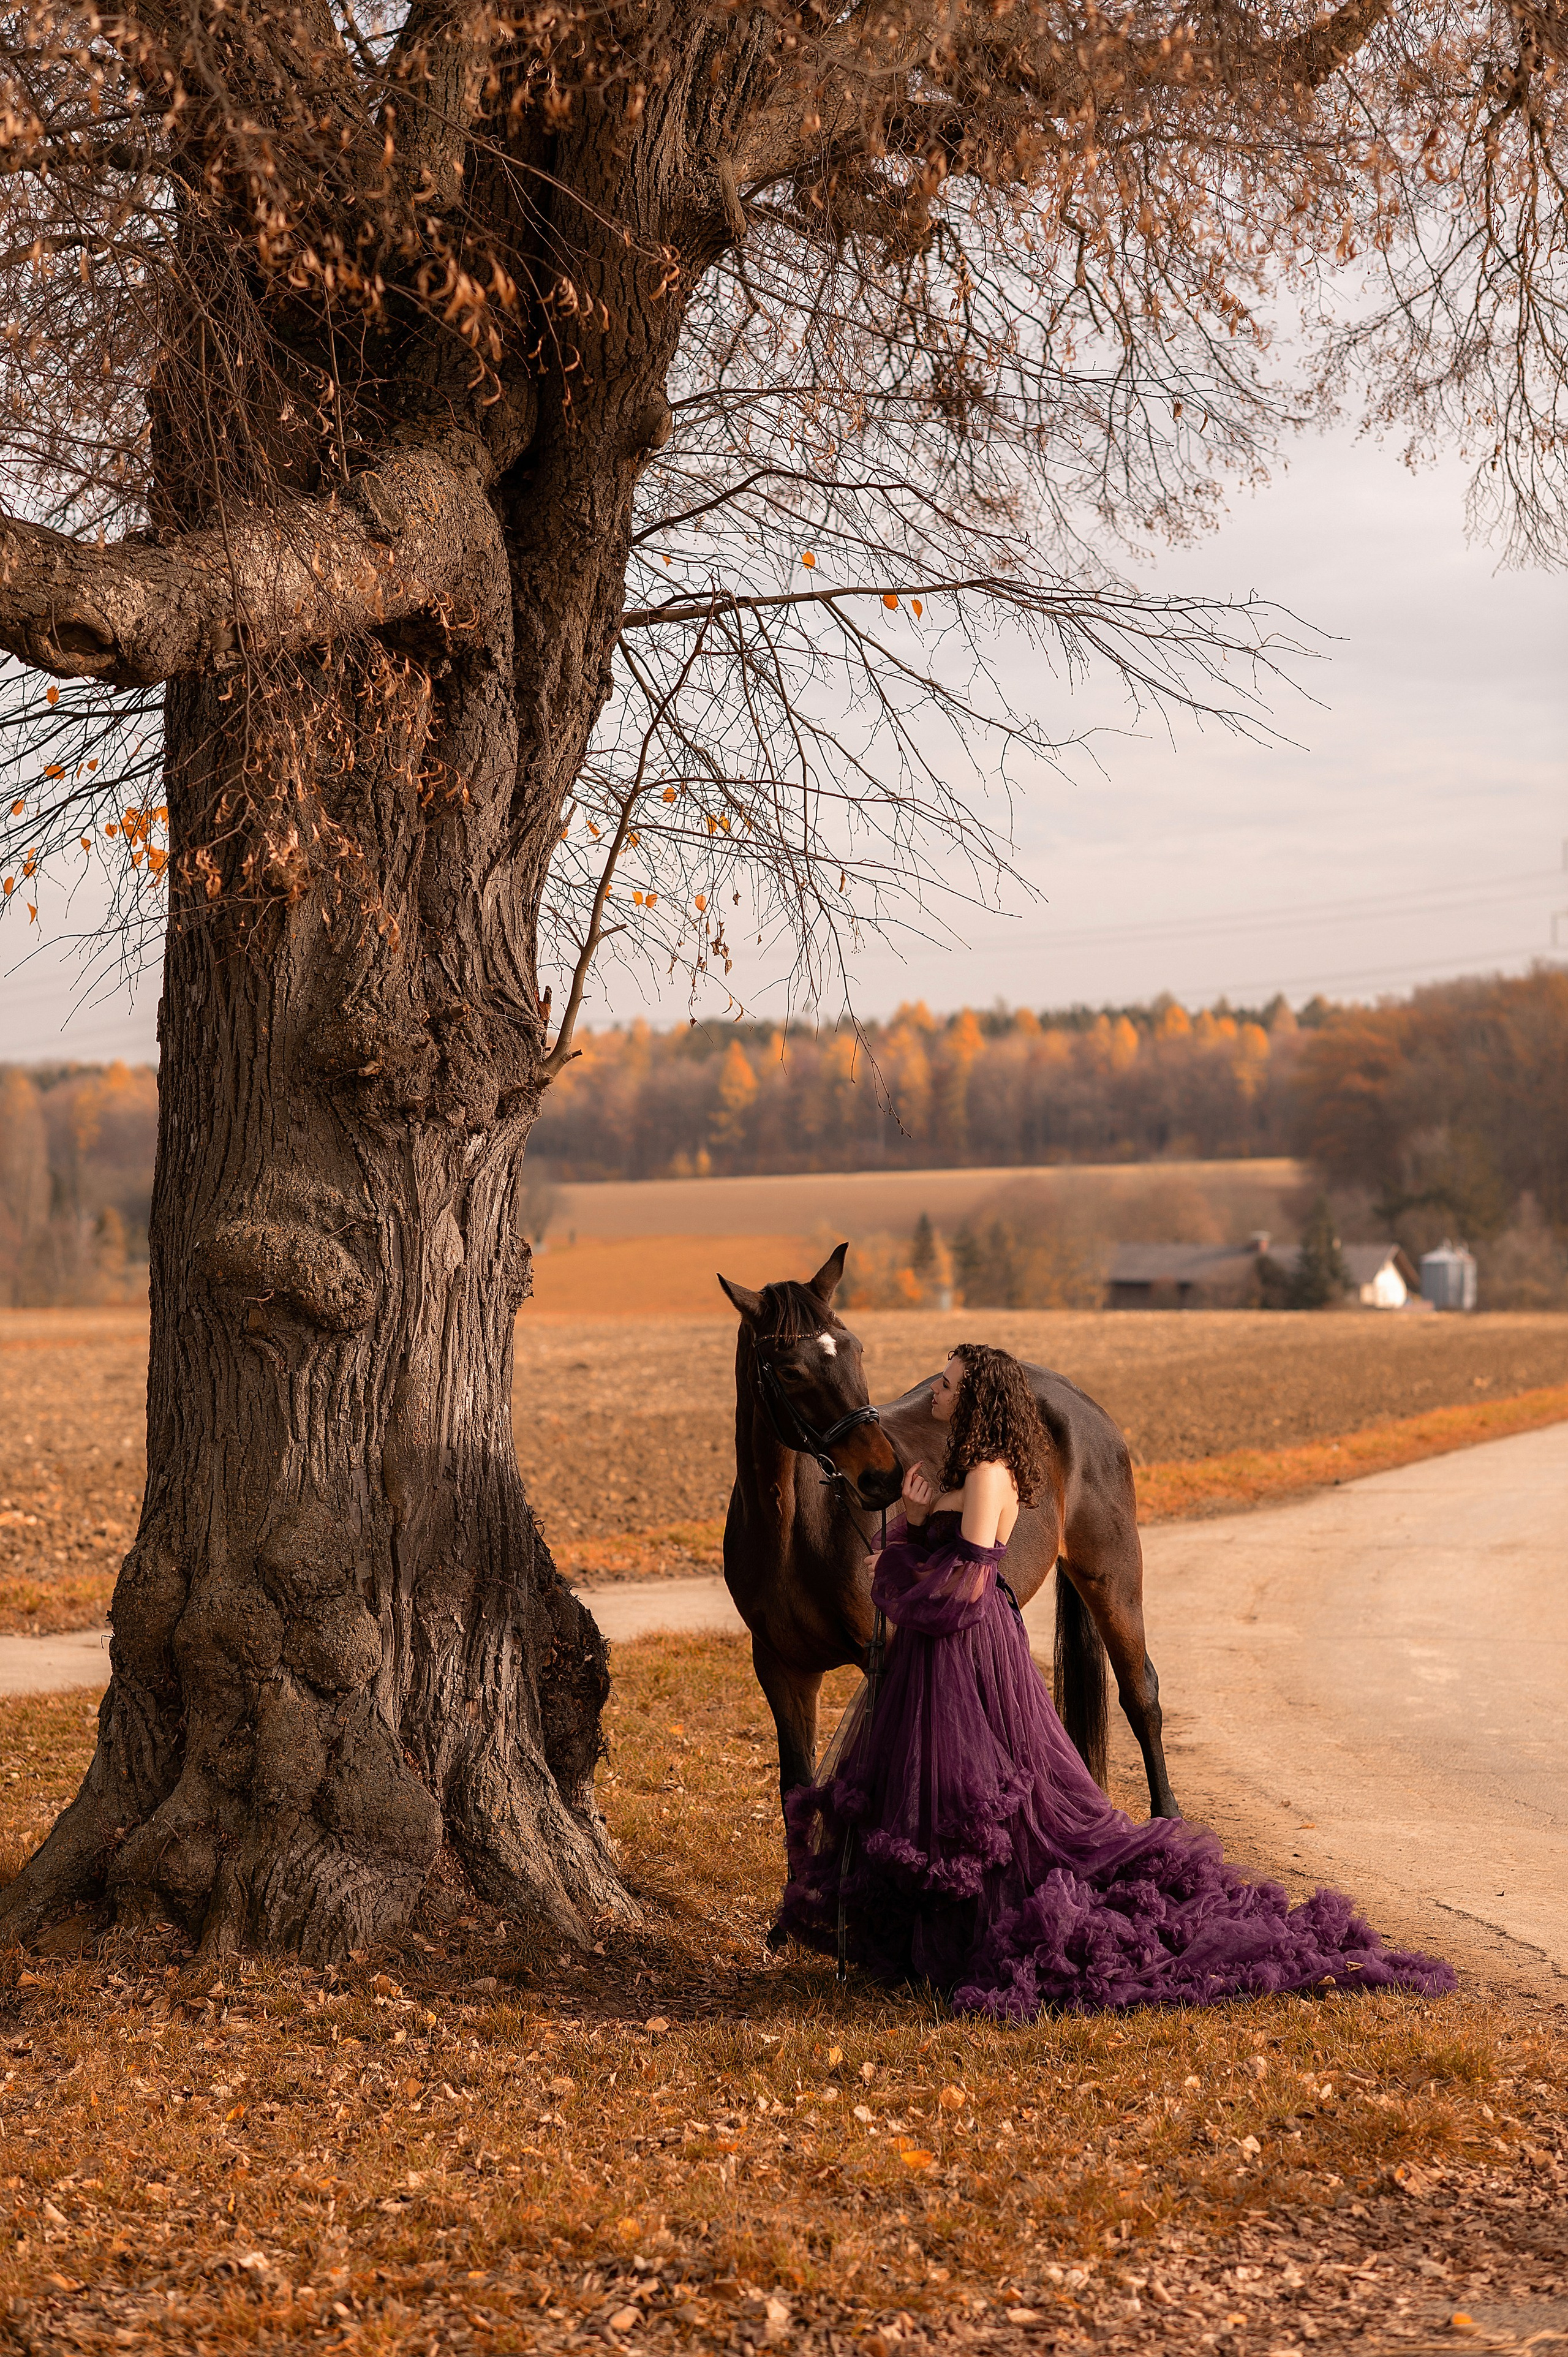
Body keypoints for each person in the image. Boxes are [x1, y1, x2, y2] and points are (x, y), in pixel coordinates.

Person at [775, 1343, 1455, 2016]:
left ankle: (976, 1930)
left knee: (980, 1799)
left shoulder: (988, 1474)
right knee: (938, 1792)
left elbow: (969, 1583)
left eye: (948, 1385)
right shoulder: (959, 1466)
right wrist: (916, 1521)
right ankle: (933, 1933)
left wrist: (898, 1569)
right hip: (938, 1650)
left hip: (968, 1646)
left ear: (976, 1397)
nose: (933, 1394)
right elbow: (928, 1550)